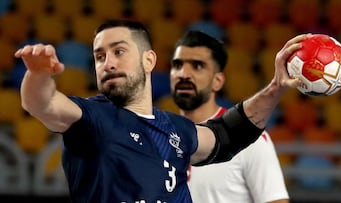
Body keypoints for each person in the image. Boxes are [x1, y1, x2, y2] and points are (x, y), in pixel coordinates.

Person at [15, 19, 305, 202]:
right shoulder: (93, 118)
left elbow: (228, 135)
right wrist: (38, 75)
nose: (108, 63)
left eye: (119, 51)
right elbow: (43, 103)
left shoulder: (176, 129)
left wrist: (276, 86)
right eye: (99, 56)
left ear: (149, 60)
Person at [169, 30, 289, 203]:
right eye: (177, 65)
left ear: (217, 81)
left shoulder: (249, 139)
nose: (183, 74)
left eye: (197, 66)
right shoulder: (159, 133)